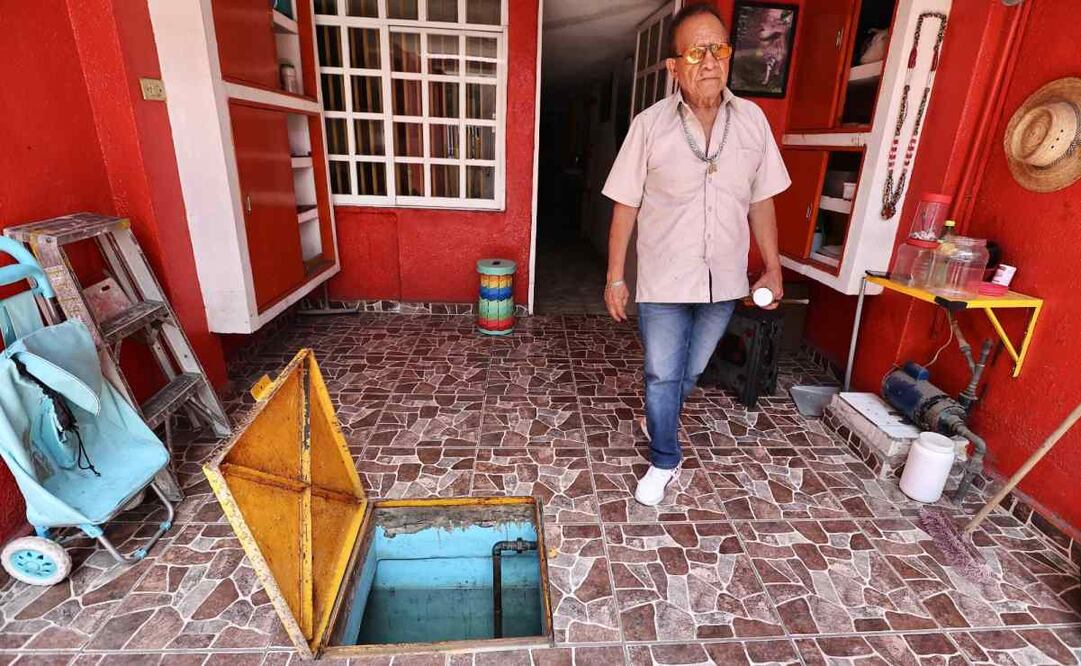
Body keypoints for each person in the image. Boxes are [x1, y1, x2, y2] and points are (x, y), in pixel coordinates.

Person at [601, 3, 791, 506]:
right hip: (663, 279)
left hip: (723, 280)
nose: (709, 62)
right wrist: (615, 276)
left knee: (691, 369)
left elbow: (762, 200)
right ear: (674, 66)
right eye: (695, 52)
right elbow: (625, 204)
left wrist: (772, 267)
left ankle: (659, 414)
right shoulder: (649, 126)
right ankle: (665, 457)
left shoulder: (752, 121)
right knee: (663, 372)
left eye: (718, 49)